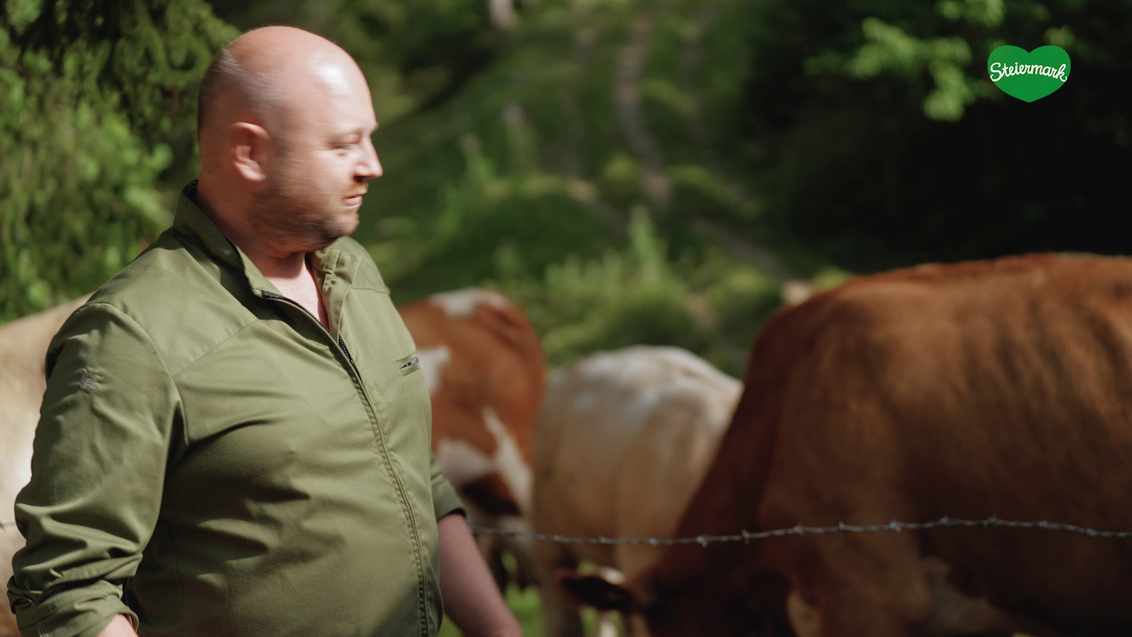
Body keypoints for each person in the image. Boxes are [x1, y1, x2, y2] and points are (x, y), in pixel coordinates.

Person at [7, 26, 524, 637]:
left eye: (370, 138)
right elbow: (68, 589)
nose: (373, 165)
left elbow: (414, 475)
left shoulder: (354, 273)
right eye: (343, 144)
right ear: (249, 152)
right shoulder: (131, 335)